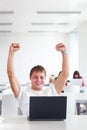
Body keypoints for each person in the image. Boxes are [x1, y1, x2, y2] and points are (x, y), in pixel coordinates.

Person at [7, 43, 69, 116]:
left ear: (45, 78)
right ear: (30, 78)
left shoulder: (52, 90)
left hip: (49, 126)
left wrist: (64, 52)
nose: (38, 80)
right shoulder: (22, 92)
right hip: (28, 126)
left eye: (41, 77)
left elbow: (65, 74)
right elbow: (11, 75)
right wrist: (11, 52)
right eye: (35, 77)